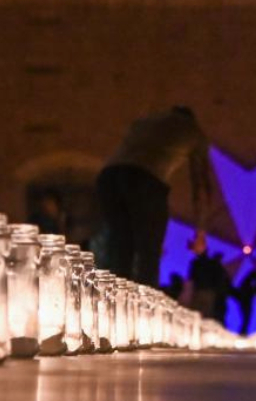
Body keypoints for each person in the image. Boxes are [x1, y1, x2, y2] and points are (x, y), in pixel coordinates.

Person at [97, 106, 213, 286]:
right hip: (146, 180)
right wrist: (200, 232)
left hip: (108, 177)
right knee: (149, 252)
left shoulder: (145, 121)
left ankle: (116, 306)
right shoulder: (194, 132)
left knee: (120, 247)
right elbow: (201, 188)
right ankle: (145, 309)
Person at [189, 250, 228, 323]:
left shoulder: (206, 264)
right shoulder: (217, 268)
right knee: (204, 310)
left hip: (202, 289)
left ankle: (194, 325)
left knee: (197, 310)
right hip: (208, 291)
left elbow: (193, 275)